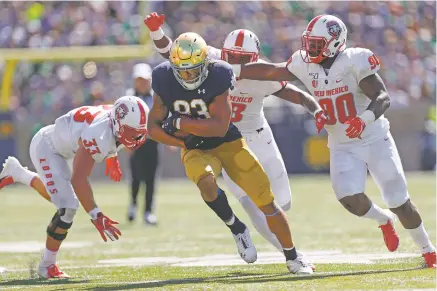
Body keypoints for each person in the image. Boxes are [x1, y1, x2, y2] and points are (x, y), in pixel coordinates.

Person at [231, 14, 436, 268]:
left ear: (335, 42)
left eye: (316, 43)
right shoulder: (304, 64)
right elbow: (272, 71)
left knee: (398, 200)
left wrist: (364, 119)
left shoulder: (354, 60)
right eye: (309, 42)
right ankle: (383, 220)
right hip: (341, 142)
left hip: (374, 137)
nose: (309, 48)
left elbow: (382, 96)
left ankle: (427, 249)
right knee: (349, 198)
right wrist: (234, 69)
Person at [144, 12, 325, 268]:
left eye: (242, 60)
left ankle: (286, 245)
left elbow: (291, 88)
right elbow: (175, 53)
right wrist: (156, 33)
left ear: (254, 59)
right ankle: (291, 255)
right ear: (222, 53)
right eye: (232, 58)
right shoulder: (211, 61)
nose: (235, 63)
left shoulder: (251, 73)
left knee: (282, 200)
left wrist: (315, 108)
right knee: (251, 204)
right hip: (213, 139)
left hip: (252, 135)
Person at [0, 96, 150, 278]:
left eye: (140, 132)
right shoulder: (99, 134)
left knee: (60, 197)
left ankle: (17, 172)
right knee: (68, 207)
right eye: (133, 132)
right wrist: (96, 215)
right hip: (49, 148)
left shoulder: (114, 119)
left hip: (66, 148)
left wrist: (112, 157)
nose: (137, 137)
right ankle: (46, 266)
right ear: (118, 124)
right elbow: (79, 179)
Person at [126, 63, 159, 225]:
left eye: (144, 80)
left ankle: (148, 211)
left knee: (151, 179)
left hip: (152, 143)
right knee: (135, 178)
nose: (142, 83)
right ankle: (132, 206)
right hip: (135, 144)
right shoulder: (128, 98)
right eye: (139, 80)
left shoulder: (156, 97)